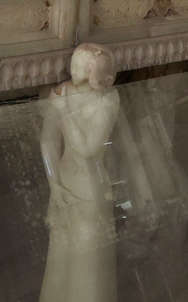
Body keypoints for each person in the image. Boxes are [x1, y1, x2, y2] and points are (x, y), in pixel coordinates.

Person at [38, 44, 120, 302]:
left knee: (88, 257)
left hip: (89, 186)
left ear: (93, 71)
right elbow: (48, 140)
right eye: (74, 63)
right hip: (65, 182)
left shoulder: (107, 99)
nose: (73, 69)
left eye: (80, 65)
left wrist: (65, 110)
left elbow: (86, 149)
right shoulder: (61, 93)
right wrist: (54, 184)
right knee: (61, 256)